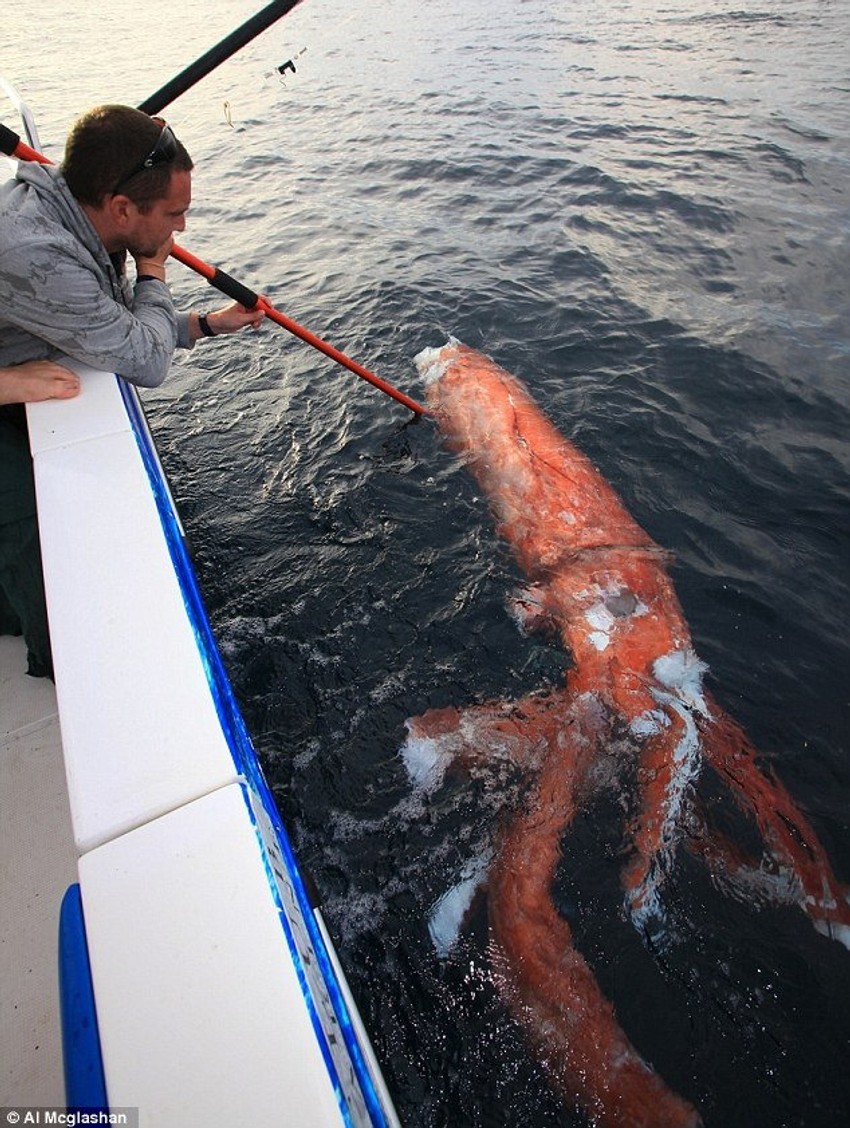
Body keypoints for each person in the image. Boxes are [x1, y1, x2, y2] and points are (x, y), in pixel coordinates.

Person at [0, 105, 264, 677]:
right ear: (121, 208)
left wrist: (205, 325)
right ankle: (72, 671)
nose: (182, 230)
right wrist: (153, 272)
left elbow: (115, 325)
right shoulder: (37, 251)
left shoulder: (78, 221)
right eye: (174, 213)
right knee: (33, 545)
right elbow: (143, 360)